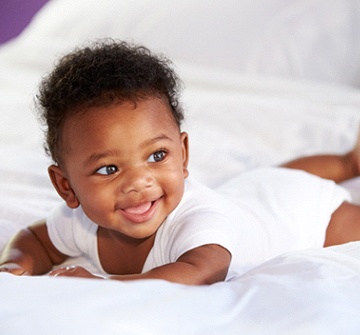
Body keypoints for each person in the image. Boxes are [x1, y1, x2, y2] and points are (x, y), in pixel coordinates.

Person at [1, 40, 360, 284]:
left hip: (305, 214)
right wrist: (16, 265)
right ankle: (347, 163)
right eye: (108, 169)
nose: (139, 182)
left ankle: (348, 162)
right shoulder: (78, 221)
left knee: (297, 189)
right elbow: (35, 239)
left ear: (183, 155)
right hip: (252, 193)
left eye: (157, 156)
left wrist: (104, 285)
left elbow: (200, 271)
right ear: (66, 186)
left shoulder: (200, 221)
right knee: (268, 181)